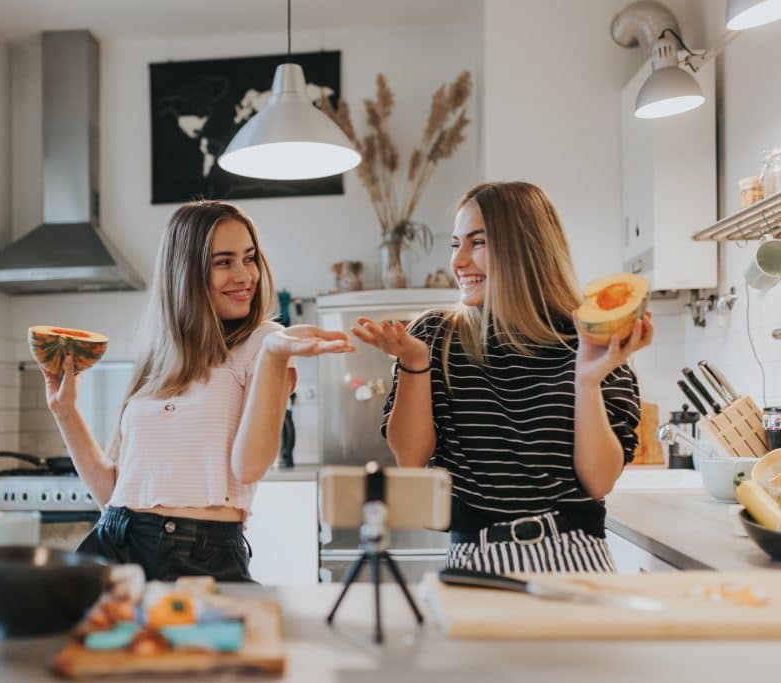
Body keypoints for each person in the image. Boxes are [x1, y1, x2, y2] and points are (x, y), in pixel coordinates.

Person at [40, 200, 352, 581]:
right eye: (224, 262)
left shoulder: (264, 342)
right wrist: (65, 412)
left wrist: (273, 355)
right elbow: (112, 491)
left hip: (203, 555)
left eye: (248, 258)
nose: (244, 275)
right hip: (114, 541)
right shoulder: (157, 358)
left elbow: (250, 466)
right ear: (185, 272)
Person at [351, 181, 653, 573]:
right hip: (474, 557)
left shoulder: (590, 339)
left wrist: (587, 381)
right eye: (455, 244)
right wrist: (414, 363)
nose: (458, 262)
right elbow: (411, 457)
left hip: (576, 557)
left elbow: (598, 482)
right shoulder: (433, 337)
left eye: (477, 243)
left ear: (527, 249)